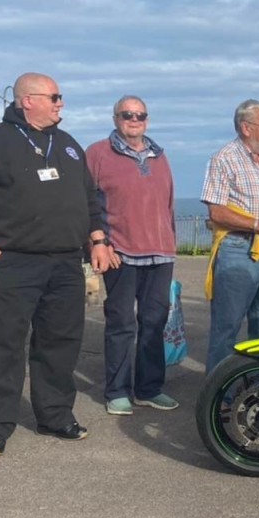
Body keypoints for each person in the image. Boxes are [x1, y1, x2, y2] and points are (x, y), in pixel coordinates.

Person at [0, 72, 114, 456]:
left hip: (64, 264)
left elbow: (89, 201)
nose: (61, 103)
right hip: (14, 263)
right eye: (54, 96)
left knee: (60, 343)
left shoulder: (69, 145)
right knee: (3, 345)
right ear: (28, 100)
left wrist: (98, 240)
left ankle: (55, 415)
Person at [86, 95, 178, 417]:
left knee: (155, 323)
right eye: (127, 114)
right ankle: (117, 391)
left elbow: (167, 205)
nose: (134, 119)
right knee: (121, 323)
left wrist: (171, 247)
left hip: (160, 254)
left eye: (140, 115)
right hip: (119, 252)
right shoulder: (98, 153)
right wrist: (97, 243)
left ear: (147, 120)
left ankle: (149, 389)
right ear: (115, 118)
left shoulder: (159, 155)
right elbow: (87, 203)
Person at [201, 99, 259, 372]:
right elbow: (216, 212)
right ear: (245, 127)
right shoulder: (223, 159)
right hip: (237, 250)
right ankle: (218, 396)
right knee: (227, 326)